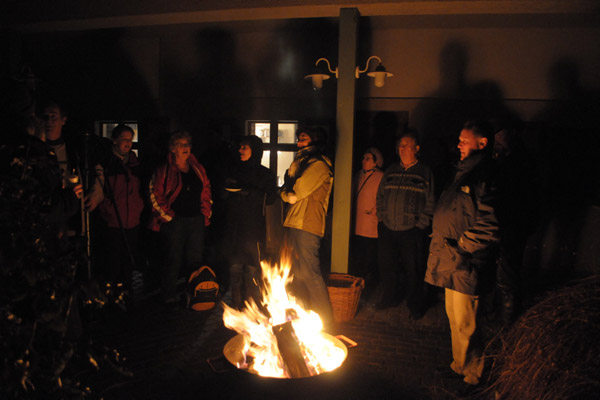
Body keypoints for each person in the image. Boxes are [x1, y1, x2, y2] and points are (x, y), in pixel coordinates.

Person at [425, 120, 499, 386]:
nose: (458, 144)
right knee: (454, 319)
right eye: (458, 140)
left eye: (464, 140)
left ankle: (473, 376)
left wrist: (462, 247)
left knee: (467, 322)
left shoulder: (485, 175)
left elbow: (490, 223)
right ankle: (459, 365)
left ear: (482, 143)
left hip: (468, 262)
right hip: (451, 259)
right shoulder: (463, 173)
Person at [374, 132, 435, 319]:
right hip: (388, 228)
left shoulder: (425, 172)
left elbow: (431, 200)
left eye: (406, 145)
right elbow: (380, 196)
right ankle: (389, 297)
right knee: (387, 265)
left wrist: (421, 224)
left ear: (417, 149)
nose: (402, 148)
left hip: (412, 230)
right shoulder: (391, 170)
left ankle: (414, 304)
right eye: (400, 145)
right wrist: (382, 218)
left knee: (413, 269)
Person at [148, 131, 212, 305]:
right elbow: (155, 194)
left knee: (195, 260)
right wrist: (169, 216)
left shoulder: (197, 168)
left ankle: (193, 293)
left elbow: (206, 190)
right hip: (175, 222)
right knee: (173, 259)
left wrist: (205, 213)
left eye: (188, 144)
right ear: (173, 148)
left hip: (195, 220)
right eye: (181, 144)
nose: (186, 148)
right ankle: (168, 295)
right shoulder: (164, 170)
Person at [280, 126, 334, 326]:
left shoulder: (319, 165)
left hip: (307, 224)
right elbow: (289, 189)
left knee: (310, 273)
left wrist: (285, 192)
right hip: (296, 222)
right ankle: (305, 315)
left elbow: (296, 192)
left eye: (303, 139)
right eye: (299, 139)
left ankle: (325, 321)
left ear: (315, 141)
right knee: (300, 273)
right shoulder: (303, 163)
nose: (298, 143)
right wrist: (287, 191)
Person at [89, 124, 145, 303]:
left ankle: (127, 294)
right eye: (124, 139)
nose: (128, 143)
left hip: (132, 221)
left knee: (128, 262)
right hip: (113, 222)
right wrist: (105, 208)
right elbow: (98, 190)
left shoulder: (134, 163)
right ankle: (112, 296)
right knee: (112, 262)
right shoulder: (105, 164)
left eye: (130, 140)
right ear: (114, 140)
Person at [222, 135, 277, 309]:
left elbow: (270, 198)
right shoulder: (233, 170)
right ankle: (236, 306)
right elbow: (223, 196)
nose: (240, 150)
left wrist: (248, 192)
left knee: (252, 270)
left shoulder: (265, 174)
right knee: (235, 270)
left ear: (255, 150)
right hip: (234, 229)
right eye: (240, 147)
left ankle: (251, 308)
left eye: (244, 147)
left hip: (253, 229)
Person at [493, 123, 539, 323]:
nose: (497, 139)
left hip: (512, 226)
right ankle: (502, 313)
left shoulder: (519, 161)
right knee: (505, 271)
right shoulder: (512, 158)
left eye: (500, 135)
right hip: (511, 224)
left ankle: (507, 320)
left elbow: (517, 197)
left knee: (508, 274)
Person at [351, 148, 384, 293]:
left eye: (368, 158)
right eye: (363, 158)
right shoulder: (358, 175)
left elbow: (383, 196)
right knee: (359, 253)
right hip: (357, 220)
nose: (364, 161)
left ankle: (370, 283)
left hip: (371, 222)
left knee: (370, 254)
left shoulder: (381, 176)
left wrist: (375, 210)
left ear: (376, 162)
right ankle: (359, 282)